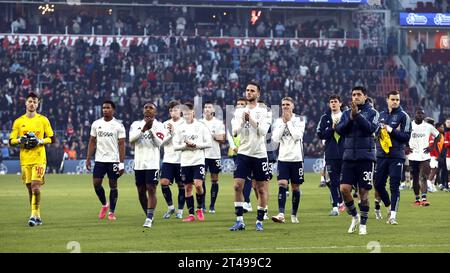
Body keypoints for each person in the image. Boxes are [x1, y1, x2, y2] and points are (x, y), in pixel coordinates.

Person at [335, 86, 379, 235]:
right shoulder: (346, 113)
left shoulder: (373, 113)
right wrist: (351, 117)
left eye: (359, 94)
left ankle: (364, 225)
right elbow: (340, 130)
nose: (355, 97)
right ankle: (355, 216)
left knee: (363, 194)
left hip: (365, 158)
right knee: (344, 189)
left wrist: (357, 116)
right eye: (353, 94)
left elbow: (370, 129)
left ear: (365, 97)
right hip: (348, 158)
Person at [230, 82, 271, 232]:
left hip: (259, 154)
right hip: (243, 153)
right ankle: (239, 220)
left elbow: (263, 132)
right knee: (237, 186)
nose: (249, 92)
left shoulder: (265, 111)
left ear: (258, 94)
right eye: (247, 90)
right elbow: (235, 132)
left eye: (252, 90)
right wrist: (243, 121)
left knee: (260, 190)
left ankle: (259, 221)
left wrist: (251, 121)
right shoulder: (239, 111)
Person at [9, 92, 55, 226]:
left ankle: (33, 216)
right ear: (25, 103)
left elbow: (52, 138)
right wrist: (20, 140)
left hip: (39, 158)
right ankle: (37, 216)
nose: (32, 104)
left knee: (35, 187)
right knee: (30, 189)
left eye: (35, 102)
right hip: (25, 160)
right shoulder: (19, 121)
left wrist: (40, 141)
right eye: (30, 101)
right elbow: (11, 141)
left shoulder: (43, 120)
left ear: (38, 104)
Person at [374, 90, 411, 225]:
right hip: (381, 155)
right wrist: (378, 132)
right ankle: (389, 206)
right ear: (387, 100)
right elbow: (376, 133)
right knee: (378, 185)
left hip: (396, 155)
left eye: (397, 100)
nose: (395, 102)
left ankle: (393, 216)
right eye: (393, 99)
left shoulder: (404, 116)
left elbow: (406, 137)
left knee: (394, 186)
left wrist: (391, 130)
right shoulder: (381, 115)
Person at [86, 100, 126, 221]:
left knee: (113, 185)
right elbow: (92, 141)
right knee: (96, 183)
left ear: (113, 110)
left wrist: (121, 163)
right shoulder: (96, 124)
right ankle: (105, 205)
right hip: (100, 160)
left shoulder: (118, 125)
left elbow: (122, 144)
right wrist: (88, 158)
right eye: (103, 108)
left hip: (113, 160)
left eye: (108, 108)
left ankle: (111, 212)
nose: (105, 110)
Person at [129, 102, 167, 228]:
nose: (148, 110)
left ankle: (149, 218)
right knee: (141, 191)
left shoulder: (159, 126)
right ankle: (148, 214)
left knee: (151, 189)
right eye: (146, 107)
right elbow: (131, 140)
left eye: (151, 108)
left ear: (155, 112)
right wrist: (143, 130)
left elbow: (159, 143)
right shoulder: (136, 124)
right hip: (139, 163)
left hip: (152, 163)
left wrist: (150, 130)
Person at [173, 102, 212, 222]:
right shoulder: (179, 128)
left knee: (198, 185)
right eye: (184, 113)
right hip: (185, 162)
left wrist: (196, 145)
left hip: (198, 160)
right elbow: (175, 146)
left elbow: (209, 143)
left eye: (188, 113)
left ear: (193, 112)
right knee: (188, 188)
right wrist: (186, 146)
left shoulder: (201, 126)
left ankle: (199, 208)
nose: (186, 115)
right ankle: (191, 214)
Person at [271, 97, 305, 224]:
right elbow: (275, 138)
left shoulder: (300, 119)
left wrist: (289, 121)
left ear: (293, 106)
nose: (285, 106)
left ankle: (294, 214)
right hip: (283, 158)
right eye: (283, 104)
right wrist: (284, 123)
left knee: (295, 188)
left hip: (296, 158)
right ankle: (281, 213)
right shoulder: (278, 121)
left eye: (287, 104)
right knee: (282, 184)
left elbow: (297, 136)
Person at [316, 94, 346, 216]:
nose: (333, 103)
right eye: (331, 102)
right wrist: (332, 129)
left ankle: (345, 202)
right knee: (333, 181)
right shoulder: (325, 118)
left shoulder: (346, 116)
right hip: (331, 154)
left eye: (335, 101)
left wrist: (339, 128)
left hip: (345, 153)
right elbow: (320, 134)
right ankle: (335, 207)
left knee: (345, 182)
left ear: (340, 103)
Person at [407, 108, 439, 206]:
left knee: (423, 177)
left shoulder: (428, 126)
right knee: (415, 178)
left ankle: (424, 199)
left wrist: (432, 147)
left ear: (424, 116)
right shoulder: (409, 125)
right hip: (412, 156)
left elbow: (438, 136)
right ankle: (417, 200)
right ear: (414, 114)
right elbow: (402, 135)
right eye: (418, 113)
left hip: (425, 155)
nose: (420, 115)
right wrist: (405, 146)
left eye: (422, 113)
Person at [227, 98, 254, 212]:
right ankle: (245, 202)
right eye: (238, 104)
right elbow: (229, 135)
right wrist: (234, 147)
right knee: (240, 179)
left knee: (247, 178)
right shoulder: (232, 119)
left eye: (242, 104)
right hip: (236, 151)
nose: (240, 105)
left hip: (248, 151)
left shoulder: (250, 118)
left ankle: (246, 202)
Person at [160, 101, 186, 219]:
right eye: (171, 110)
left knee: (182, 185)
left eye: (175, 109)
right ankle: (171, 207)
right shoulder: (165, 124)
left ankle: (180, 210)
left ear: (180, 110)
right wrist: (170, 134)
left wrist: (175, 133)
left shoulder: (185, 123)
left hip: (182, 159)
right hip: (168, 159)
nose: (173, 112)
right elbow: (160, 142)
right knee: (164, 183)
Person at [201, 101, 226, 213]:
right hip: (201, 155)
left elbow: (222, 139)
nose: (207, 109)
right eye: (205, 107)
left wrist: (213, 135)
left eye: (209, 107)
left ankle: (212, 205)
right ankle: (202, 204)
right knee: (201, 180)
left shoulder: (219, 123)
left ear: (213, 110)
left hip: (214, 155)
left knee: (214, 180)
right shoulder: (199, 123)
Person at [425, 119, 443, 193]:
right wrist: (437, 155)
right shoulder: (432, 134)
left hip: (431, 154)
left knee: (434, 170)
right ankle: (428, 183)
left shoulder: (430, 133)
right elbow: (433, 146)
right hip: (432, 155)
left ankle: (432, 186)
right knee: (434, 170)